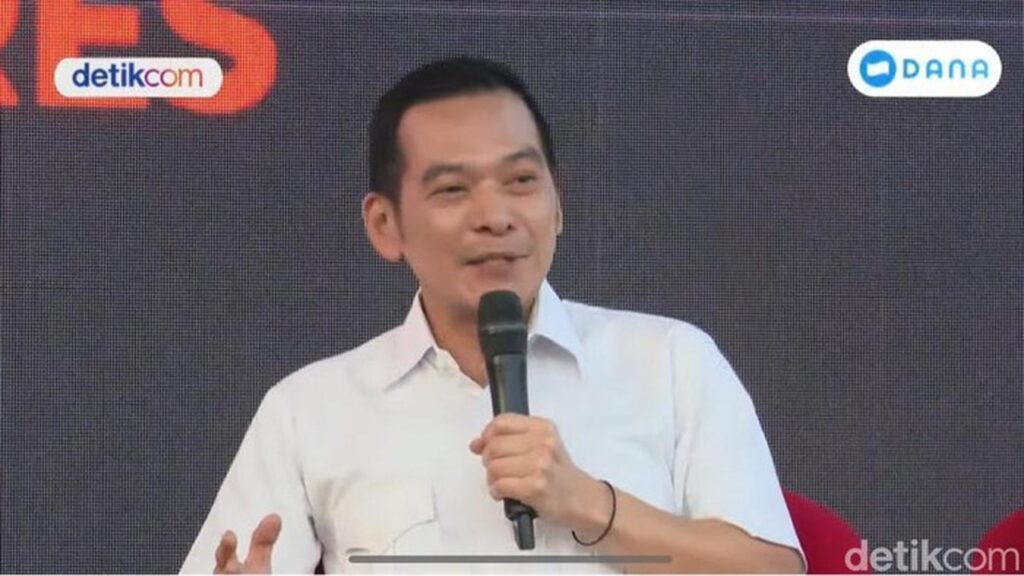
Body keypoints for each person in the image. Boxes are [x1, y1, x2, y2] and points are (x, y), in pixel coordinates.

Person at [180, 57, 805, 574]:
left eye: (521, 182)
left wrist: (588, 503)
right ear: (385, 224)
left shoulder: (669, 361)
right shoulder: (309, 410)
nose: (496, 217)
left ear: (557, 203)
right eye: (453, 190)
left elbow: (772, 570)